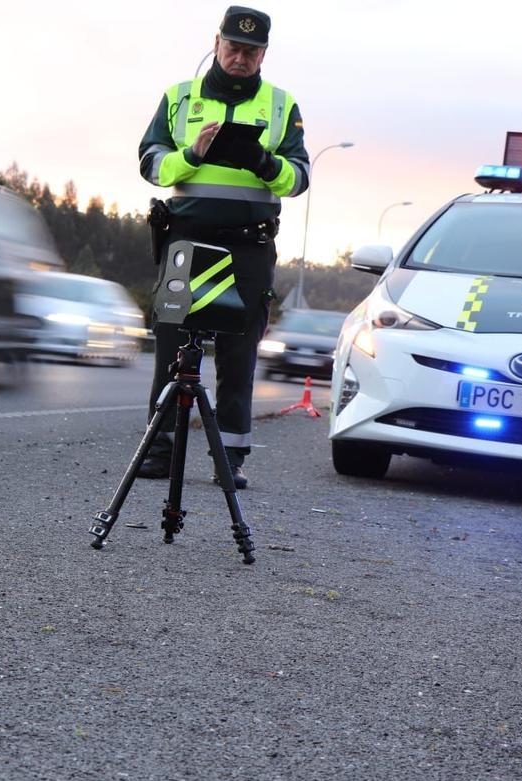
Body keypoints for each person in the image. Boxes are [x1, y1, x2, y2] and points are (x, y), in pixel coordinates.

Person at [137, 5, 310, 489]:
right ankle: (159, 448)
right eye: (233, 47)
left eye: (251, 51)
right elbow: (150, 163)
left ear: (264, 54)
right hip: (187, 241)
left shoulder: (281, 105)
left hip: (249, 248)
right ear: (216, 42)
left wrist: (263, 162)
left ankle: (229, 458)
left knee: (239, 356)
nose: (240, 58)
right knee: (172, 348)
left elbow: (299, 178)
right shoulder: (179, 97)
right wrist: (191, 156)